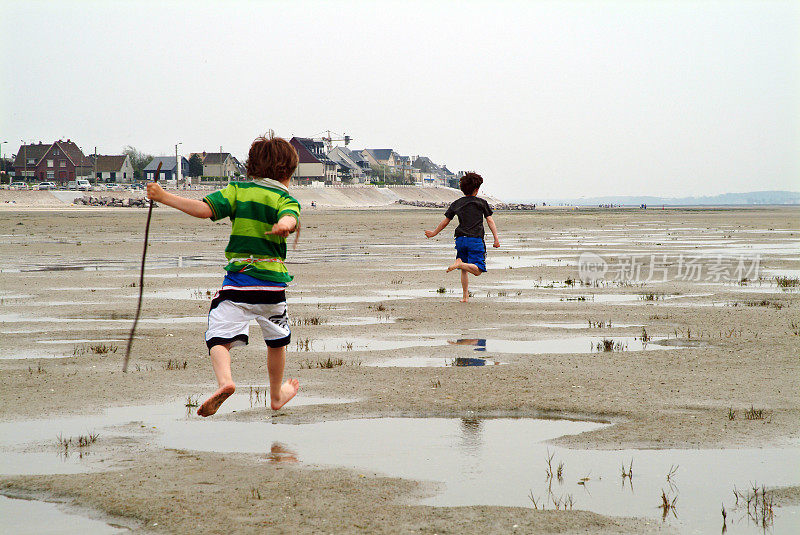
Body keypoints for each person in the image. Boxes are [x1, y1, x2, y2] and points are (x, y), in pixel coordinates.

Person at [146, 132, 301, 417]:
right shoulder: (285, 197)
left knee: (218, 338)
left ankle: (225, 381)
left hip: (238, 285)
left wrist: (164, 196)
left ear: (250, 168)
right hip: (273, 288)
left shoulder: (237, 191)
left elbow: (204, 210)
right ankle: (277, 395)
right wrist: (284, 224)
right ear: (288, 173)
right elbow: (292, 215)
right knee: (277, 341)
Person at [424, 172, 499, 302]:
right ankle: (460, 264)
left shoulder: (456, 203)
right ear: (476, 189)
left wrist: (434, 233)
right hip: (475, 240)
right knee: (478, 270)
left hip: (460, 239)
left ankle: (465, 297)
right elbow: (490, 221)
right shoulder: (481, 203)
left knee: (463, 269)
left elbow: (446, 221)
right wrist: (496, 239)